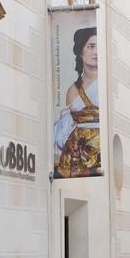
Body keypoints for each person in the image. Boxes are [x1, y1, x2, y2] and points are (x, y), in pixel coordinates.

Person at [52, 27, 101, 178]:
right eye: (91, 46)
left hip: (101, 156)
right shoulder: (73, 90)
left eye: (98, 46)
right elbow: (65, 130)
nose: (96, 52)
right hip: (77, 157)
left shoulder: (105, 85)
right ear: (81, 51)